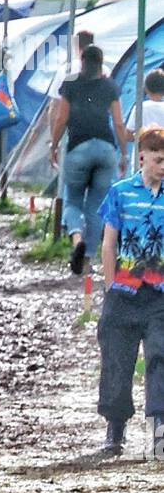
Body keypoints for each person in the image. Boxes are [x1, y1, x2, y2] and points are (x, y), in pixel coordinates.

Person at [95, 127, 164, 455]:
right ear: (142, 157)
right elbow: (108, 244)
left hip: (161, 294)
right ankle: (115, 428)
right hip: (124, 290)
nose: (163, 166)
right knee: (117, 360)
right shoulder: (121, 192)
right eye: (158, 159)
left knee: (160, 357)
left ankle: (159, 432)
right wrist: (111, 287)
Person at [50, 45, 127, 276]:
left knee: (73, 200)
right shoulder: (110, 86)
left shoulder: (70, 83)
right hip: (105, 149)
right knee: (95, 208)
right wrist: (123, 153)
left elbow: (62, 117)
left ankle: (76, 239)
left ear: (81, 60)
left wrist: (53, 145)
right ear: (102, 62)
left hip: (78, 148)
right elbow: (119, 122)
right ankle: (87, 261)